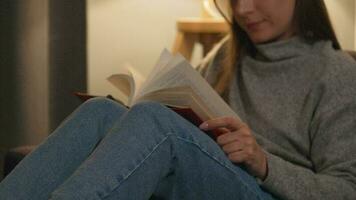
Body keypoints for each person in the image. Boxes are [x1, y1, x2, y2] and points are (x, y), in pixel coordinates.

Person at [1, 0, 356, 199]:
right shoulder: (227, 56)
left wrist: (264, 163)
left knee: (154, 121)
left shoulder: (336, 74)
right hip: (207, 175)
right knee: (101, 111)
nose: (243, 9)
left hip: (267, 193)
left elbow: (346, 188)